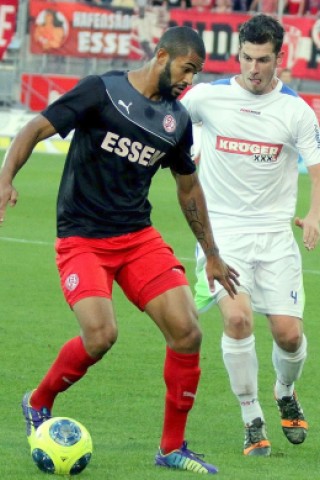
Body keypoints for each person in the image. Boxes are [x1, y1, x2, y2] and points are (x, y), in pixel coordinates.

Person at [0, 26, 239, 474]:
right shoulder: (102, 91)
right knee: (101, 336)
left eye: (197, 73)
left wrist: (211, 253)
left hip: (136, 237)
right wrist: (5, 177)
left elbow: (188, 189)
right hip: (82, 239)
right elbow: (35, 127)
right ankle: (38, 399)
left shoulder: (176, 121)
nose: (190, 81)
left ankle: (171, 447)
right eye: (187, 69)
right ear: (163, 55)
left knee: (188, 331)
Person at [181, 14, 320, 457]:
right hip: (221, 234)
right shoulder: (207, 98)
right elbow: (161, 120)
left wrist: (315, 213)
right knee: (237, 319)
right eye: (246, 58)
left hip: (275, 236)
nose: (253, 68)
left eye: (263, 60)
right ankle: (251, 419)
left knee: (288, 336)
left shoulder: (296, 109)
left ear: (280, 57)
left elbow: (317, 166)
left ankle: (284, 390)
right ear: (237, 54)